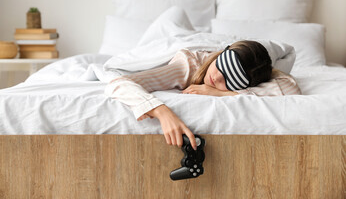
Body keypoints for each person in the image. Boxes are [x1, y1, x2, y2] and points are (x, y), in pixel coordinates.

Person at [105, 40, 301, 150]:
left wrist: (219, 94)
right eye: (221, 66)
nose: (216, 78)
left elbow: (290, 87)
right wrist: (162, 112)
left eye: (230, 81)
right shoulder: (187, 65)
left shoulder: (254, 72)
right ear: (222, 53)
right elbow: (119, 83)